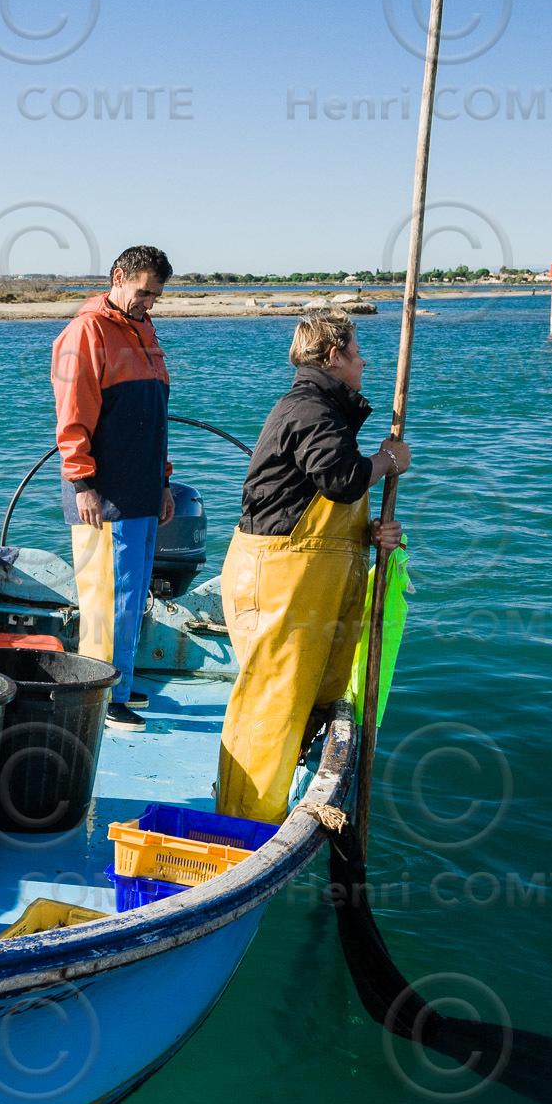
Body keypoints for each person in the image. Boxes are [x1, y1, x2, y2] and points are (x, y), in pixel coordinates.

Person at [215, 311, 409, 820]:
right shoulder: (308, 410)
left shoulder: (327, 411)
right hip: (277, 579)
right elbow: (343, 480)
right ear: (333, 358)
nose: (365, 361)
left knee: (313, 695)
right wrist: (389, 461)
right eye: (356, 351)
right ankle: (243, 826)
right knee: (270, 705)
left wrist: (372, 535)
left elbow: (319, 504)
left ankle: (276, 801)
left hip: (308, 581)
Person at [51, 245, 176, 730]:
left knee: (131, 594)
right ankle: (98, 697)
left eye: (157, 296)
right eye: (144, 292)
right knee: (104, 597)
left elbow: (155, 417)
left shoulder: (144, 329)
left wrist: (163, 483)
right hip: (103, 495)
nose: (150, 302)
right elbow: (73, 416)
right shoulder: (86, 332)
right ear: (118, 278)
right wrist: (82, 484)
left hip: (143, 490)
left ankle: (119, 685)